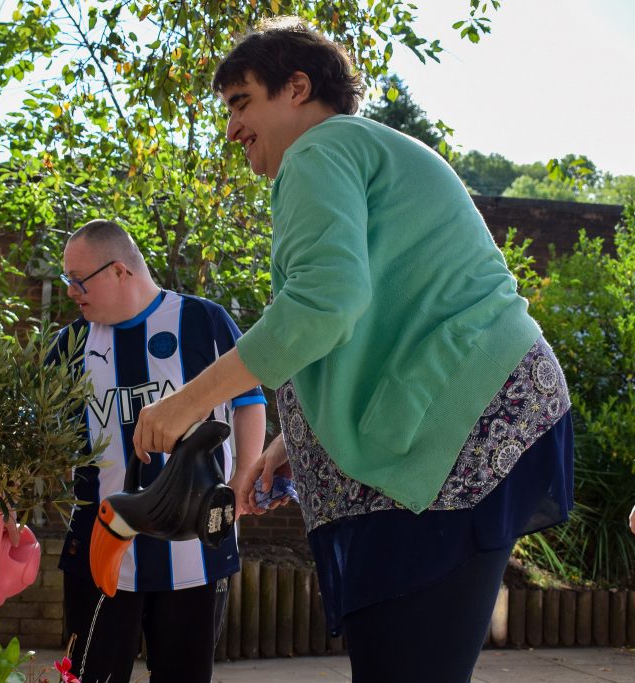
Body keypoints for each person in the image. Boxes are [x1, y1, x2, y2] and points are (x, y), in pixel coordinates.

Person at [132, 19, 574, 683]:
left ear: (297, 87)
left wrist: (189, 402)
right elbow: (365, 315)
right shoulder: (360, 151)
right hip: (484, 416)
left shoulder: (321, 147)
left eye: (241, 102)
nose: (231, 128)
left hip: (462, 433)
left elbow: (322, 304)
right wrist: (291, 442)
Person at [50, 219, 266, 683]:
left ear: (120, 271)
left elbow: (249, 402)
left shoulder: (204, 322)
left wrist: (243, 481)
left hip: (196, 555)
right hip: (100, 552)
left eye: (78, 279)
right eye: (66, 280)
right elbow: (37, 443)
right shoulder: (68, 347)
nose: (71, 291)